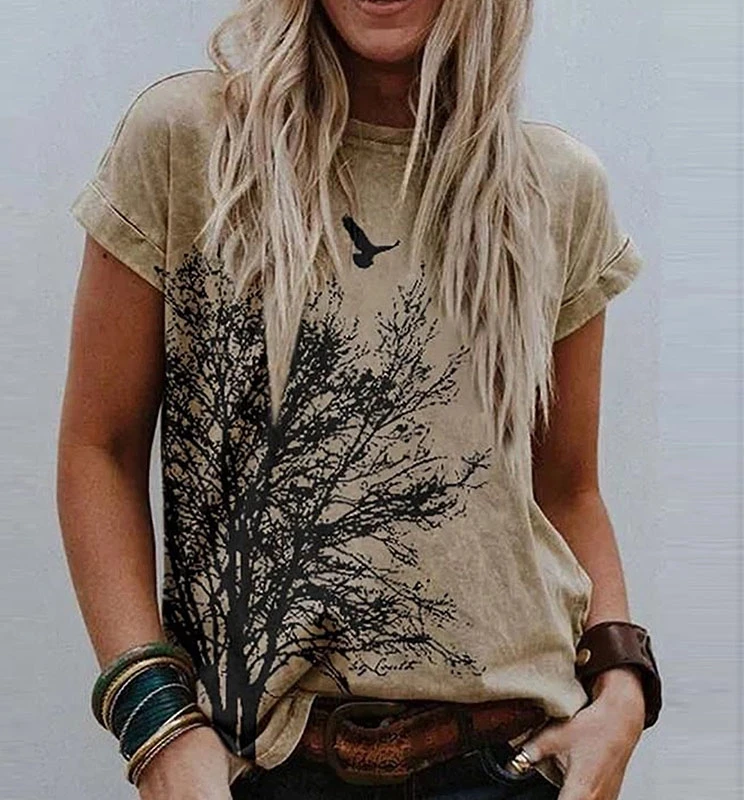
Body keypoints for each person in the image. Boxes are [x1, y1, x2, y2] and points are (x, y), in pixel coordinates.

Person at [58, 1, 662, 799]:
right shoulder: (188, 142)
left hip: (508, 761)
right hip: (262, 763)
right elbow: (99, 451)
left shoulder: (554, 188)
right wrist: (155, 726)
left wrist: (624, 688)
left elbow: (568, 490)